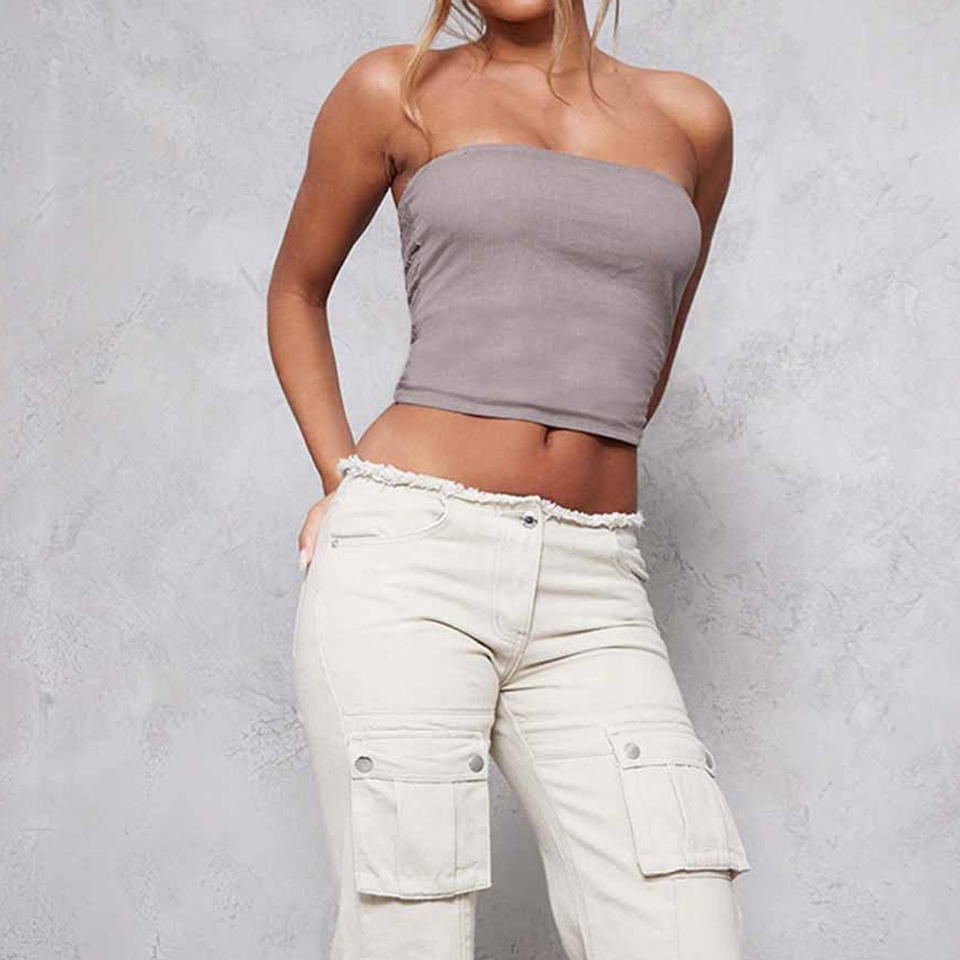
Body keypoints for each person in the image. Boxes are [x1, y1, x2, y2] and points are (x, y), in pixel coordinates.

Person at [267, 2, 751, 958]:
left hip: (594, 582)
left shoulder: (691, 119)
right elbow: (295, 291)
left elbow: (645, 348)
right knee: (408, 925)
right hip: (409, 560)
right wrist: (340, 476)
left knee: (683, 922)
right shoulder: (396, 89)